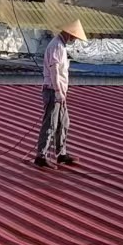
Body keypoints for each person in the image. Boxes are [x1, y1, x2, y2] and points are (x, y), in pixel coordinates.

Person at [34, 20, 84, 167]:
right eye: (74, 36)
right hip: (53, 91)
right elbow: (54, 71)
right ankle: (41, 156)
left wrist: (62, 92)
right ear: (70, 34)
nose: (75, 39)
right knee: (51, 124)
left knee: (64, 122)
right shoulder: (56, 46)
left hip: (59, 92)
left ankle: (61, 153)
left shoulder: (61, 45)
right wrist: (58, 91)